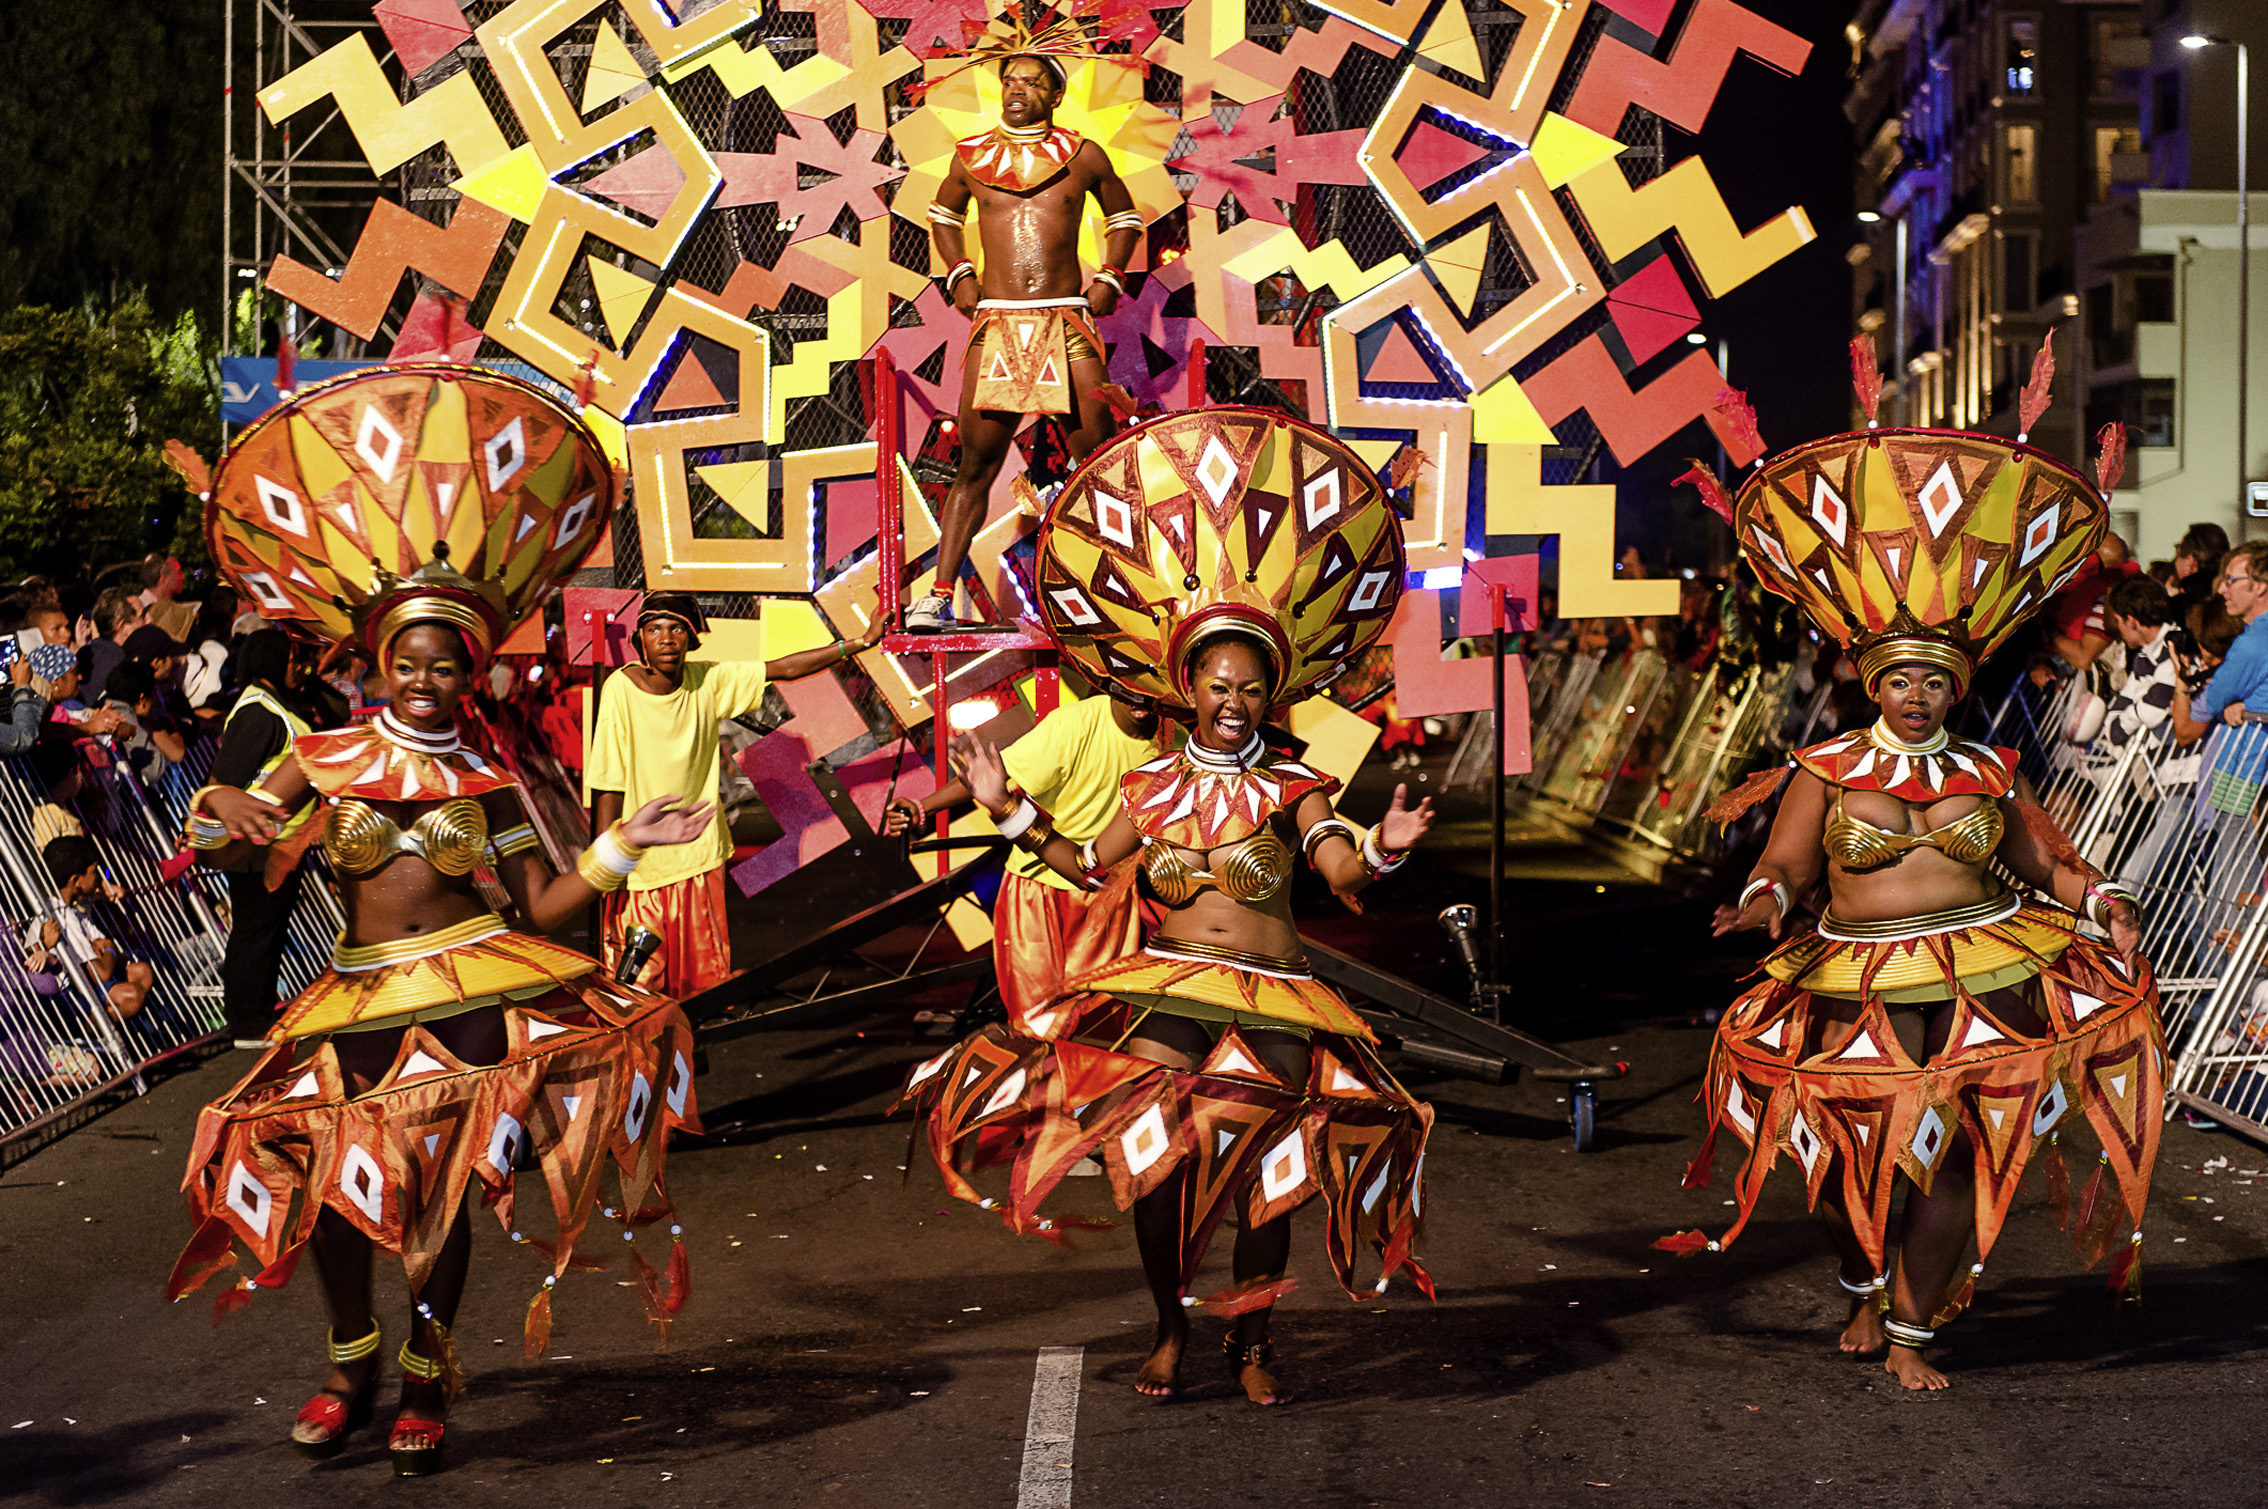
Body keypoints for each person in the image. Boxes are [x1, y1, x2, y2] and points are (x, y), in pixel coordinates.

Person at [166, 366, 700, 1478]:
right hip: (358, 988)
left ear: (468, 671)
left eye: (443, 663)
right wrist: (219, 816)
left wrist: (624, 843)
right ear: (376, 663)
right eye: (405, 661)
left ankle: (423, 1370)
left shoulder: (488, 781)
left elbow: (538, 906)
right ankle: (350, 1356)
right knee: (322, 1173)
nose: (423, 677)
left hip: (473, 988)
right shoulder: (326, 755)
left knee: (437, 1189)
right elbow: (251, 842)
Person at [902, 408, 1430, 1409]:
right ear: (1189, 687)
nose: (1233, 700)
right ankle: (1170, 1327)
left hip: (1276, 998)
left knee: (1267, 1164)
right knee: (1150, 1159)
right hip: (1173, 987)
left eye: (1251, 687)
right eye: (1218, 683)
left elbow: (1337, 872)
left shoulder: (1291, 778)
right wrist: (1006, 807)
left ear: (1271, 694)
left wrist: (1381, 850)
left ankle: (1252, 1344)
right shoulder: (1150, 788)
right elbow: (1082, 862)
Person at [1697, 410, 2164, 1392]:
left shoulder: (1991, 770)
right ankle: (1862, 1277)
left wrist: (2107, 901)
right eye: (1902, 678)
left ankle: (1911, 1331)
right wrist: (1760, 899)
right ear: (1876, 680)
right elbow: (1786, 862)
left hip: (1978, 974)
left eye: (1935, 683)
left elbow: (2048, 868)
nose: (1918, 696)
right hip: (1850, 976)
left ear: (1955, 691)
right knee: (1832, 1155)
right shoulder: (1826, 765)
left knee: (1948, 1160)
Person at [909, 29, 1143, 632]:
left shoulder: (1083, 154)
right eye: (1009, 80)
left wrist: (1111, 278)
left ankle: (1128, 590)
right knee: (975, 468)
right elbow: (941, 216)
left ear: (1055, 95)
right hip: (1001, 326)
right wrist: (960, 274)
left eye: (1032, 82)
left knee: (1098, 461)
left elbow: (1125, 218)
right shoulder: (972, 156)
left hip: (1066, 318)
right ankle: (938, 595)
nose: (1017, 90)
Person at [584, 591, 882, 997]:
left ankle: (688, 1057)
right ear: (641, 640)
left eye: (677, 629)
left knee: (701, 987)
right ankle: (644, 1059)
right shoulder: (621, 688)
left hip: (700, 859)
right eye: (654, 630)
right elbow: (608, 781)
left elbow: (784, 668)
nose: (666, 639)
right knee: (635, 985)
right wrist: (607, 864)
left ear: (691, 638)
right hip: (641, 871)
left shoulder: (707, 680)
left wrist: (859, 643)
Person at [882, 683, 1166, 1024]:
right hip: (1038, 891)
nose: (1139, 695)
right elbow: (991, 778)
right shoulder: (1072, 725)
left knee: (1095, 1019)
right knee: (1033, 1018)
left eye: (1149, 683)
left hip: (1106, 896)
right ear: (1106, 679)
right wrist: (921, 806)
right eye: (1127, 683)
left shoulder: (1175, 746)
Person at [203, 629, 319, 1047]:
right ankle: (249, 1025)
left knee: (265, 931)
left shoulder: (276, 705)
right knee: (254, 932)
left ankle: (258, 1016)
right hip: (255, 847)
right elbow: (223, 782)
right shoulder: (259, 711)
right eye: (291, 658)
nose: (298, 666)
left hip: (278, 844)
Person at [24, 833, 153, 1023]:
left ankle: (131, 1023)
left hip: (92, 981)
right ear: (76, 880)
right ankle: (94, 1029)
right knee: (132, 996)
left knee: (142, 971)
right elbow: (102, 973)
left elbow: (118, 958)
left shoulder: (76, 907)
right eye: (94, 872)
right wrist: (108, 946)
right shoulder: (60, 916)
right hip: (74, 995)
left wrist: (108, 953)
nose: (101, 877)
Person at [99, 660, 186, 785]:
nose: (156, 699)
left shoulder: (106, 705)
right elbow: (154, 769)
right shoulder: (125, 718)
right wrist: (157, 723)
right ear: (142, 699)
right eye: (154, 693)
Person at [78, 586, 146, 705]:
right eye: (141, 617)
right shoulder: (123, 664)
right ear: (122, 626)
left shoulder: (84, 653)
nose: (147, 622)